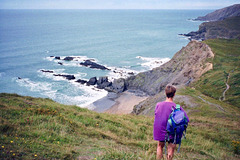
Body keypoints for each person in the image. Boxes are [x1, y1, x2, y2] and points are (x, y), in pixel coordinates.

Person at [153, 85, 189, 160]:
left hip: (161, 129)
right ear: (174, 94)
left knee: (160, 146)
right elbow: (186, 119)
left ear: (165, 93)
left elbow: (156, 115)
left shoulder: (158, 105)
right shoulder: (177, 107)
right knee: (171, 149)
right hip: (173, 131)